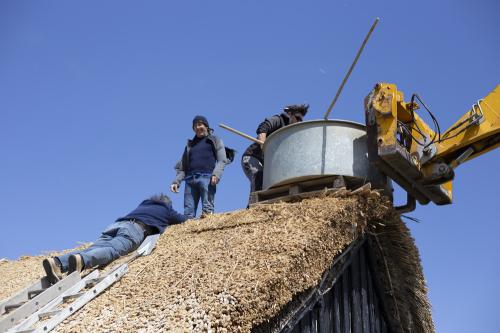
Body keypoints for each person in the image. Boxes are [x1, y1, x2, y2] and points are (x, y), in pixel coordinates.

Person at [42, 194, 186, 284]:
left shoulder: (144, 204)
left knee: (93, 248)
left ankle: (58, 262)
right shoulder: (167, 209)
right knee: (113, 249)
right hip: (135, 229)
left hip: (116, 224)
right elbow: (184, 220)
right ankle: (83, 261)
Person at [241, 104, 309, 202]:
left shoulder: (289, 133)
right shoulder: (278, 120)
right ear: (289, 114)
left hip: (264, 163)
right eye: (297, 118)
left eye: (301, 120)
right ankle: (252, 207)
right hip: (252, 157)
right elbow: (262, 128)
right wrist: (263, 148)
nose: (298, 122)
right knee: (258, 176)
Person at [170, 115, 233, 219]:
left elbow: (222, 160)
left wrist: (216, 174)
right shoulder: (190, 145)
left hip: (207, 178)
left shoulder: (214, 140)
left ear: (206, 126)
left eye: (200, 125)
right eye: (195, 126)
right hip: (190, 180)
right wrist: (176, 181)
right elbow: (183, 167)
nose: (197, 128)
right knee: (188, 214)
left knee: (207, 211)